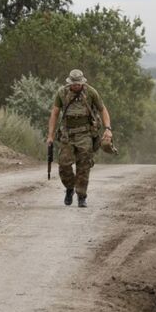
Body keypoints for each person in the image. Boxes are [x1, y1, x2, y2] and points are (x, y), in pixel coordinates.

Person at [47, 69, 112, 208]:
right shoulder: (62, 93)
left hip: (85, 134)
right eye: (74, 84)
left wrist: (108, 128)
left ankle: (81, 196)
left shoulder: (91, 92)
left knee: (84, 166)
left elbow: (103, 109)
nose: (76, 86)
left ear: (82, 82)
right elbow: (54, 114)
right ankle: (70, 188)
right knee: (64, 164)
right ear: (69, 83)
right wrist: (50, 136)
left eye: (78, 84)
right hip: (67, 134)